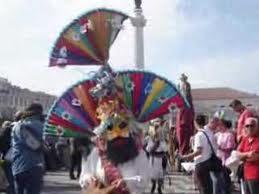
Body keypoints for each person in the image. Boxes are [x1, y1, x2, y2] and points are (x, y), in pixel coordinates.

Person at [80, 99, 152, 194]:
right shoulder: (96, 153)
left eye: (122, 126)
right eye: (110, 128)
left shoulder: (139, 153)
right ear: (104, 132)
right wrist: (89, 179)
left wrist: (127, 182)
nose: (117, 133)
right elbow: (84, 176)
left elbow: (144, 179)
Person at [180, 115, 220, 194]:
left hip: (201, 163)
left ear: (195, 123)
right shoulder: (209, 133)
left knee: (202, 187)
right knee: (208, 186)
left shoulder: (199, 135)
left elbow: (198, 151)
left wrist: (185, 157)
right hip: (208, 161)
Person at [12, 103, 45, 194]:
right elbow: (51, 141)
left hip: (17, 166)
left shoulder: (16, 126)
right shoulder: (42, 126)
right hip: (35, 165)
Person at [145, 119, 168, 194]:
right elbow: (148, 149)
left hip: (159, 160)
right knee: (154, 176)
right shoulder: (151, 139)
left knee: (159, 175)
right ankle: (154, 187)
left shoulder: (161, 140)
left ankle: (158, 188)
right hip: (153, 160)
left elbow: (165, 149)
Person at [237, 117, 259, 194]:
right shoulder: (245, 139)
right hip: (246, 175)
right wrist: (247, 154)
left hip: (256, 176)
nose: (249, 127)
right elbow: (237, 154)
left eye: (252, 125)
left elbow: (254, 158)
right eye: (247, 126)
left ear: (257, 126)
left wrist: (243, 157)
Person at [0, 121, 15, 194]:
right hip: (13, 158)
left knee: (9, 179)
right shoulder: (14, 132)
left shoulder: (3, 133)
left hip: (5, 159)